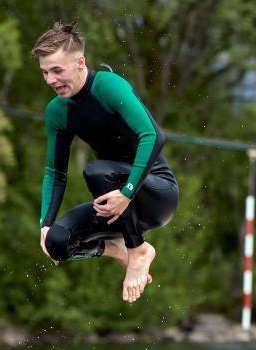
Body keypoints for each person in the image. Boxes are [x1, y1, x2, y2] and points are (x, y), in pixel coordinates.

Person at [31, 21, 179, 302]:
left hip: (155, 194)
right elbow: (55, 172)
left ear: (80, 63)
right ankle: (117, 250)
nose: (51, 79)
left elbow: (154, 136)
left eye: (57, 70)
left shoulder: (109, 86)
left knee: (96, 171)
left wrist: (127, 193)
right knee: (58, 244)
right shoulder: (57, 112)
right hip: (117, 206)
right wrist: (45, 224)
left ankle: (138, 249)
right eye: (45, 72)